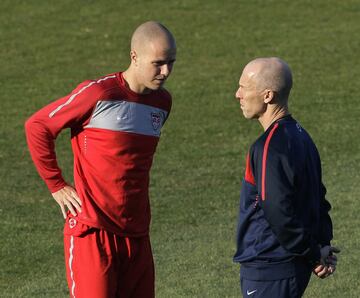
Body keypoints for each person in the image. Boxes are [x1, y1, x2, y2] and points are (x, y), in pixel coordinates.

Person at [25, 21, 176, 298]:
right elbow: (38, 126)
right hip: (92, 233)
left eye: (171, 63)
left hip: (137, 235)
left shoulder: (162, 103)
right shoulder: (100, 94)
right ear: (134, 56)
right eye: (158, 63)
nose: (166, 71)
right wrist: (56, 184)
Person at [233, 57, 340, 297]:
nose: (237, 94)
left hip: (270, 266)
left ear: (267, 95)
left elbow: (278, 211)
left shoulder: (268, 146)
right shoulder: (301, 136)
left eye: (244, 87)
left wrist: (314, 255)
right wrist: (321, 245)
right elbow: (317, 198)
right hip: (288, 266)